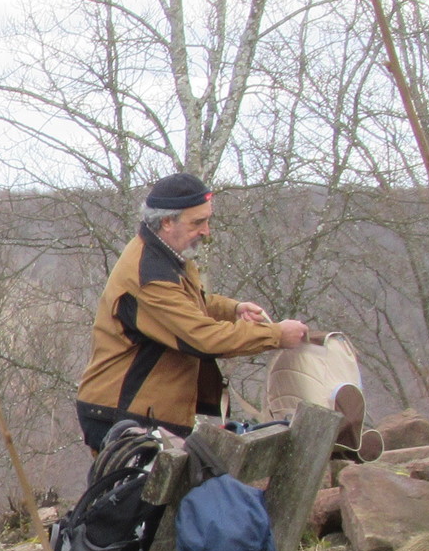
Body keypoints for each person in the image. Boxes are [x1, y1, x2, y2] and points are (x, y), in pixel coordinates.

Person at [75, 171, 308, 453]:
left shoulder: (166, 254)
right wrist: (276, 335)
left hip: (144, 413)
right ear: (166, 222)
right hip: (122, 415)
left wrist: (233, 309)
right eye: (197, 222)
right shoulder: (150, 276)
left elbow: (189, 303)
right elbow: (202, 338)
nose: (206, 231)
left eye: (207, 220)